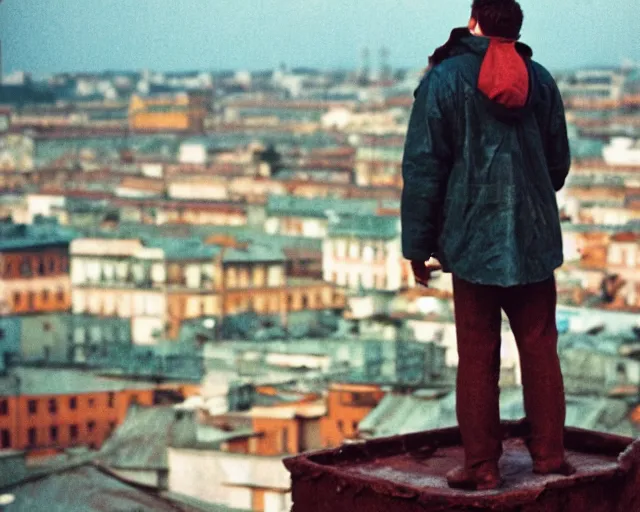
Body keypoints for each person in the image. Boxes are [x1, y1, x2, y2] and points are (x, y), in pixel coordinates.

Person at [401, 0, 575, 491]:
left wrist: (418, 245)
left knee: (477, 355)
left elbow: (423, 169)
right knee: (541, 348)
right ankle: (549, 455)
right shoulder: (539, 79)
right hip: (535, 241)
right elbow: (557, 166)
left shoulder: (443, 80)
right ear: (516, 27)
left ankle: (481, 466)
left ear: (472, 21)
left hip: (471, 242)